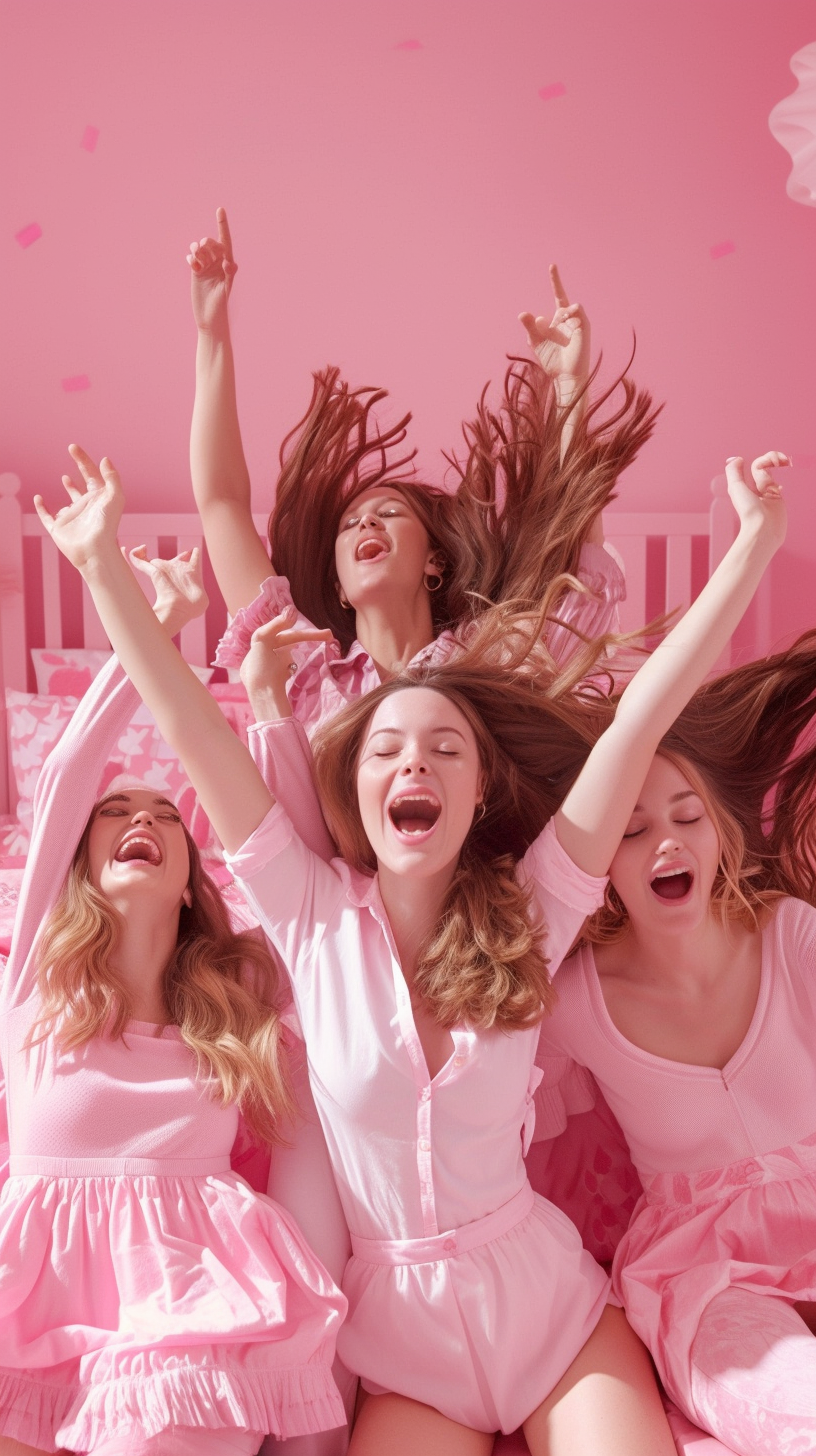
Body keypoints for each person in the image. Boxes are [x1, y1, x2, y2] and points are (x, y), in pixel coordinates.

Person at [34, 442, 787, 1454]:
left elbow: (635, 728)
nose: (412, 763)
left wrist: (753, 546)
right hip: (407, 1345)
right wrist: (101, 568)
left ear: (476, 793)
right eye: (386, 749)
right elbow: (185, 717)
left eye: (444, 749)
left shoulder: (533, 908)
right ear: (358, 794)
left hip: (554, 1319)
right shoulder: (308, 916)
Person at [0, 551, 346, 1456]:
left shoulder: (237, 993)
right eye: (117, 816)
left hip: (187, 1288)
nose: (142, 824)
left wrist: (270, 707)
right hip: (34, 1301)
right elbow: (73, 767)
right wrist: (153, 619)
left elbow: (306, 864)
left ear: (195, 872)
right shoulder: (35, 973)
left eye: (163, 817)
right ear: (76, 855)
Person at [188, 208, 660, 735]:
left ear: (434, 562)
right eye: (350, 525)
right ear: (340, 587)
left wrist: (570, 385)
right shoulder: (301, 667)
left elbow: (580, 566)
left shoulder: (489, 660)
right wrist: (212, 332)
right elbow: (222, 501)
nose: (365, 525)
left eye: (388, 514)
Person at [531, 626, 816, 1455]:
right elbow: (504, 1128)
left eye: (688, 815)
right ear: (600, 869)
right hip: (700, 1269)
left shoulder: (790, 938)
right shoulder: (576, 1003)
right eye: (630, 828)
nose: (666, 840)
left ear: (720, 831)